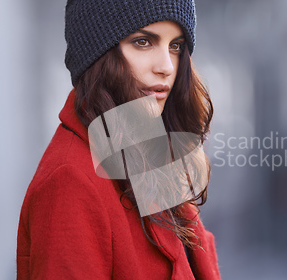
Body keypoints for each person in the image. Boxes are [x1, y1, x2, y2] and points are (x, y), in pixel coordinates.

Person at [16, 0, 220, 279]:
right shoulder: (70, 181)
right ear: (98, 53)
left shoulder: (149, 148)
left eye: (176, 46)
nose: (166, 67)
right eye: (143, 42)